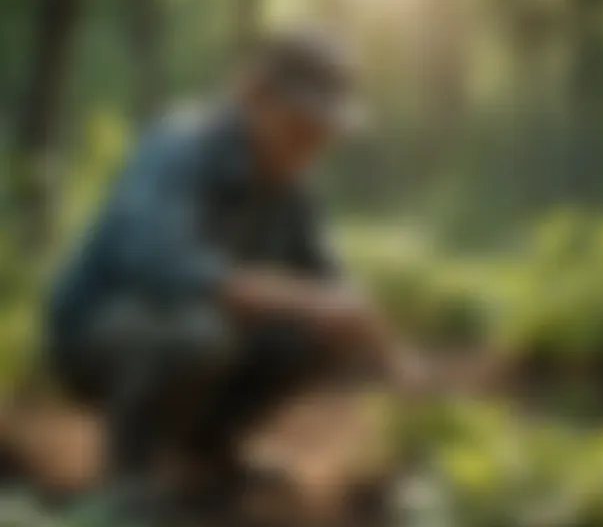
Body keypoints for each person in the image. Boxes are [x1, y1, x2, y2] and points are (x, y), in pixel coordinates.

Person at [47, 28, 424, 497]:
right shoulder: (180, 145)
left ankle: (211, 448)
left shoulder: (292, 184)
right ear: (253, 95)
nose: (313, 144)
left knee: (317, 330)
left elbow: (333, 287)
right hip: (98, 333)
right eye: (301, 124)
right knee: (199, 333)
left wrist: (393, 359)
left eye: (325, 133)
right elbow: (159, 263)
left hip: (193, 329)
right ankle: (130, 474)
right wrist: (306, 300)